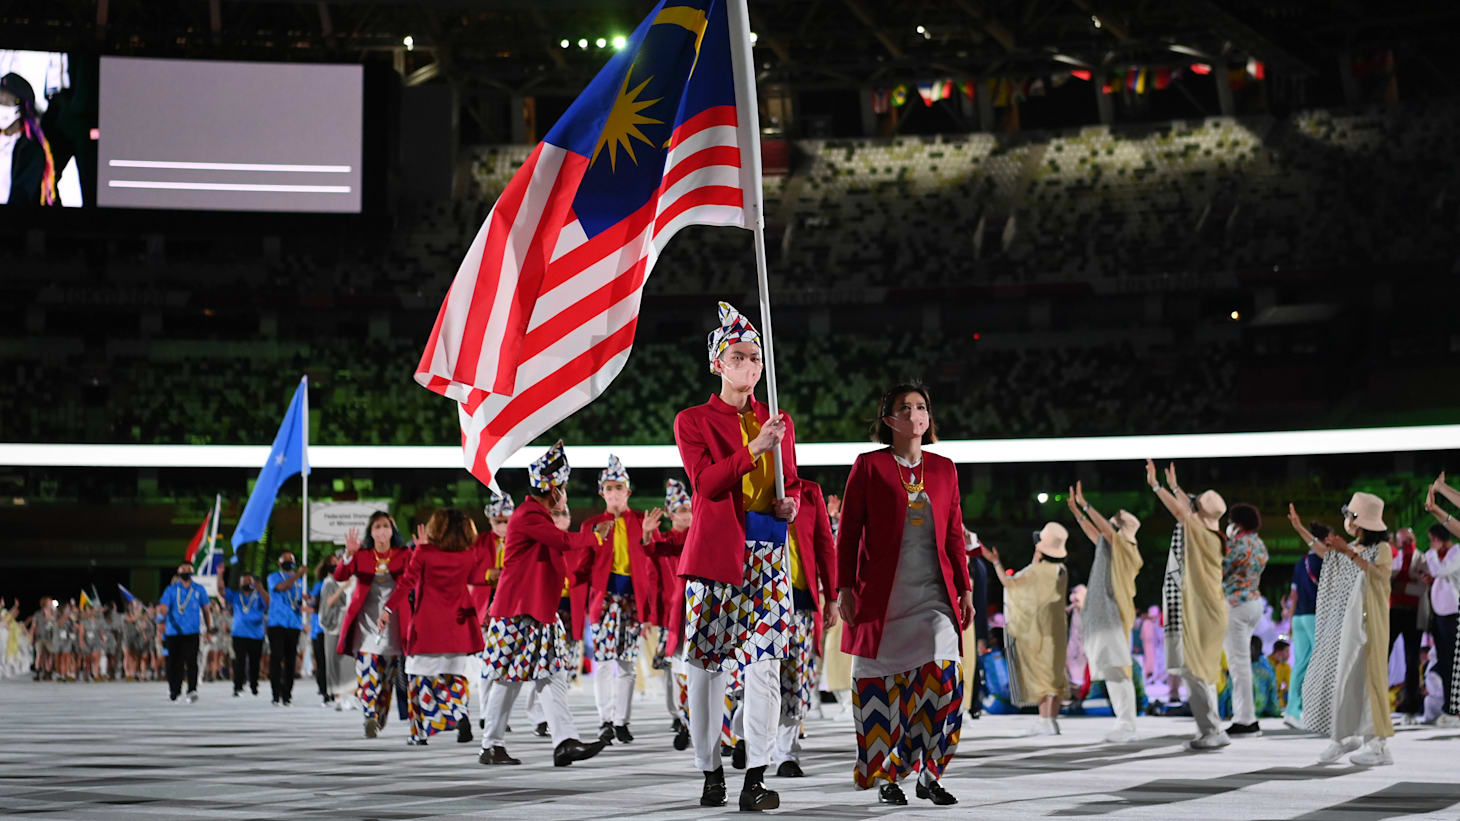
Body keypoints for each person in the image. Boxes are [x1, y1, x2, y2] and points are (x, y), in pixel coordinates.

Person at [673, 302, 802, 811]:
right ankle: (710, 772)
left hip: (768, 554)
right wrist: (756, 447)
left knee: (765, 667)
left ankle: (756, 776)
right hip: (717, 557)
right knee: (708, 669)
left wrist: (790, 503)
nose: (749, 366)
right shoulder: (693, 420)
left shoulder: (778, 420)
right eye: (739, 357)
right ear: (717, 364)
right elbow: (705, 484)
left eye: (756, 358)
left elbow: (789, 483)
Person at [836, 383, 972, 807]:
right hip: (882, 602)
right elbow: (849, 532)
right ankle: (886, 776)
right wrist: (844, 587)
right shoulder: (869, 466)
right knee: (881, 694)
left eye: (921, 407)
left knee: (945, 682)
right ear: (889, 419)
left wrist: (965, 588)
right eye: (905, 407)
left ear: (928, 418)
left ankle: (930, 773)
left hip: (934, 599)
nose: (915, 414)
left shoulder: (945, 469)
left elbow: (954, 535)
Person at [479, 441, 609, 768]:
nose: (565, 494)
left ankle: (564, 742)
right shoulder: (528, 516)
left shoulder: (535, 515)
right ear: (553, 489)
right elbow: (563, 541)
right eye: (563, 487)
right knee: (509, 679)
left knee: (551, 675)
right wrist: (595, 535)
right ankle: (491, 745)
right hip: (519, 611)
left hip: (535, 612)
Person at [1288, 494, 1394, 765]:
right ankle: (1344, 737)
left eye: (1350, 515)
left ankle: (1379, 746)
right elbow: (1324, 553)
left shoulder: (1381, 548)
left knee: (1370, 682)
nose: (1346, 520)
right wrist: (1300, 529)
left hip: (1369, 626)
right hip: (1345, 627)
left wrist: (1348, 552)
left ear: (1361, 520)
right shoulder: (1352, 547)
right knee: (1342, 679)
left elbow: (1381, 576)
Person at [381, 509, 486, 746]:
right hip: (458, 629)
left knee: (418, 680)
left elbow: (406, 583)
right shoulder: (469, 555)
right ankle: (459, 713)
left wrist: (387, 610)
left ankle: (419, 733)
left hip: (427, 628)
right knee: (455, 678)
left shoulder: (424, 553)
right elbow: (479, 581)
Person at [1146, 459, 1230, 751]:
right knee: (1203, 672)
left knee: (1194, 671)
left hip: (1202, 613)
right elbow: (1190, 510)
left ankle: (1212, 730)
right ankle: (1213, 728)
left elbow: (1183, 513)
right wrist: (1174, 487)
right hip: (1210, 612)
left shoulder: (1200, 534)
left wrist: (1157, 487)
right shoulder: (1213, 535)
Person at [578, 454, 658, 745]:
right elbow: (581, 567)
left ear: (628, 491)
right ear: (602, 492)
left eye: (619, 488)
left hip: (632, 601)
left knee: (627, 663)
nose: (614, 493)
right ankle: (605, 721)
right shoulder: (592, 524)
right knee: (603, 662)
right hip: (604, 600)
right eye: (609, 488)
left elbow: (654, 562)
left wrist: (648, 535)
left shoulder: (641, 521)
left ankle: (621, 721)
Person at [1067, 482, 1144, 742]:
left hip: (1114, 615)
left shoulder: (1127, 550)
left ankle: (1127, 724)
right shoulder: (1110, 547)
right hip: (1104, 616)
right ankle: (1124, 722)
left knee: (1118, 669)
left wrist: (1085, 505)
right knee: (1111, 670)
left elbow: (1107, 533)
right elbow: (1097, 533)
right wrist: (1077, 512)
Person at [986, 524, 1070, 737]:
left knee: (1041, 676)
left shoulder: (1035, 572)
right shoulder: (1061, 571)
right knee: (1054, 675)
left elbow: (1009, 583)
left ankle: (1044, 720)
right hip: (1057, 632)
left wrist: (996, 562)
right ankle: (1052, 720)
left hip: (1038, 632)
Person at [335, 512, 410, 737]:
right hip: (365, 625)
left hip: (394, 626)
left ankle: (378, 718)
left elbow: (417, 575)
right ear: (371, 532)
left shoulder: (404, 554)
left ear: (393, 530)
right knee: (366, 671)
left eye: (386, 526)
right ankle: (369, 714)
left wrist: (423, 548)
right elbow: (340, 575)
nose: (382, 531)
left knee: (386, 680)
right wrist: (348, 555)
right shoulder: (362, 555)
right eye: (377, 527)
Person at [643, 478, 694, 751]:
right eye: (682, 510)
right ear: (671, 514)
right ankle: (680, 716)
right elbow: (652, 548)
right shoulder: (666, 542)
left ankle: (689, 717)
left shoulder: (699, 536)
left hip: (697, 613)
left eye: (690, 509)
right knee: (674, 671)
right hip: (672, 617)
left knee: (691, 669)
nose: (687, 515)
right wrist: (647, 534)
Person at [1221, 503, 1269, 738]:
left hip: (1236, 605)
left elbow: (1219, 570)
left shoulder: (1237, 545)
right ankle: (1246, 717)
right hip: (1254, 603)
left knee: (1238, 665)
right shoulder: (1259, 544)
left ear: (1237, 524)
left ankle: (1246, 720)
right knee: (1242, 664)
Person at [1422, 476, 1460, 726]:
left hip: (1453, 614)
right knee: (1450, 663)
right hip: (1443, 614)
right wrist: (1437, 509)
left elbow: (1440, 571)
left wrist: (1442, 491)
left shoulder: (1455, 552)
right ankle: (1453, 710)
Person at [1282, 526, 1324, 729]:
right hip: (1315, 616)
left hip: (1298, 618)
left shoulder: (1301, 562)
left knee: (1300, 665)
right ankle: (1317, 710)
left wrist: (1290, 622)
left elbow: (1294, 595)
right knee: (1321, 664)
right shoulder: (1323, 560)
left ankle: (1292, 710)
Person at [0, 73, 56, 207]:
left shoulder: (30, 151)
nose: (1, 106)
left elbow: (21, 197)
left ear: (20, 109)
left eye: (6, 102)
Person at [158, 562, 210, 702]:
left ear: (192, 572)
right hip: (173, 633)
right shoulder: (171, 590)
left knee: (192, 661)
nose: (186, 572)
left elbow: (206, 610)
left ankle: (192, 689)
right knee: (174, 663)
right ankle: (174, 689)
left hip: (192, 632)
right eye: (183, 570)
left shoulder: (199, 589)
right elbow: (163, 608)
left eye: (188, 570)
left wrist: (209, 628)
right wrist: (161, 617)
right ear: (178, 572)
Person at [265, 552, 308, 706]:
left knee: (291, 660)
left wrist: (305, 601)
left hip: (294, 624)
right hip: (277, 623)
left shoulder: (301, 582)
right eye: (286, 560)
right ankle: (275, 693)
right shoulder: (273, 577)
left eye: (291, 560)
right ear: (279, 563)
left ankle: (287, 694)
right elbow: (282, 587)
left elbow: (300, 599)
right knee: (277, 657)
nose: (289, 562)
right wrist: (298, 574)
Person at [218, 569, 268, 697]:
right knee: (239, 661)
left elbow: (269, 603)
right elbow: (221, 591)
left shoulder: (258, 596)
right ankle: (238, 686)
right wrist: (220, 574)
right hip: (239, 633)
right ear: (240, 584)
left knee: (254, 661)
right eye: (243, 582)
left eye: (248, 581)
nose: (246, 584)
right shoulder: (235, 595)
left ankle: (254, 685)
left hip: (256, 634)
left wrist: (261, 589)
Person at [308, 554, 342, 706]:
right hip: (320, 628)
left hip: (336, 628)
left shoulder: (342, 583)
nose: (334, 566)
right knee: (322, 661)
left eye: (337, 563)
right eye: (332, 563)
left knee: (334, 661)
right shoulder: (319, 585)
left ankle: (336, 690)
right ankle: (325, 692)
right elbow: (315, 604)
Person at [1269, 638, 1292, 709]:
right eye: (1287, 651)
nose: (1289, 654)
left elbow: (1289, 686)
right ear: (1279, 652)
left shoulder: (1286, 667)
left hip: (1279, 703)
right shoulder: (1266, 663)